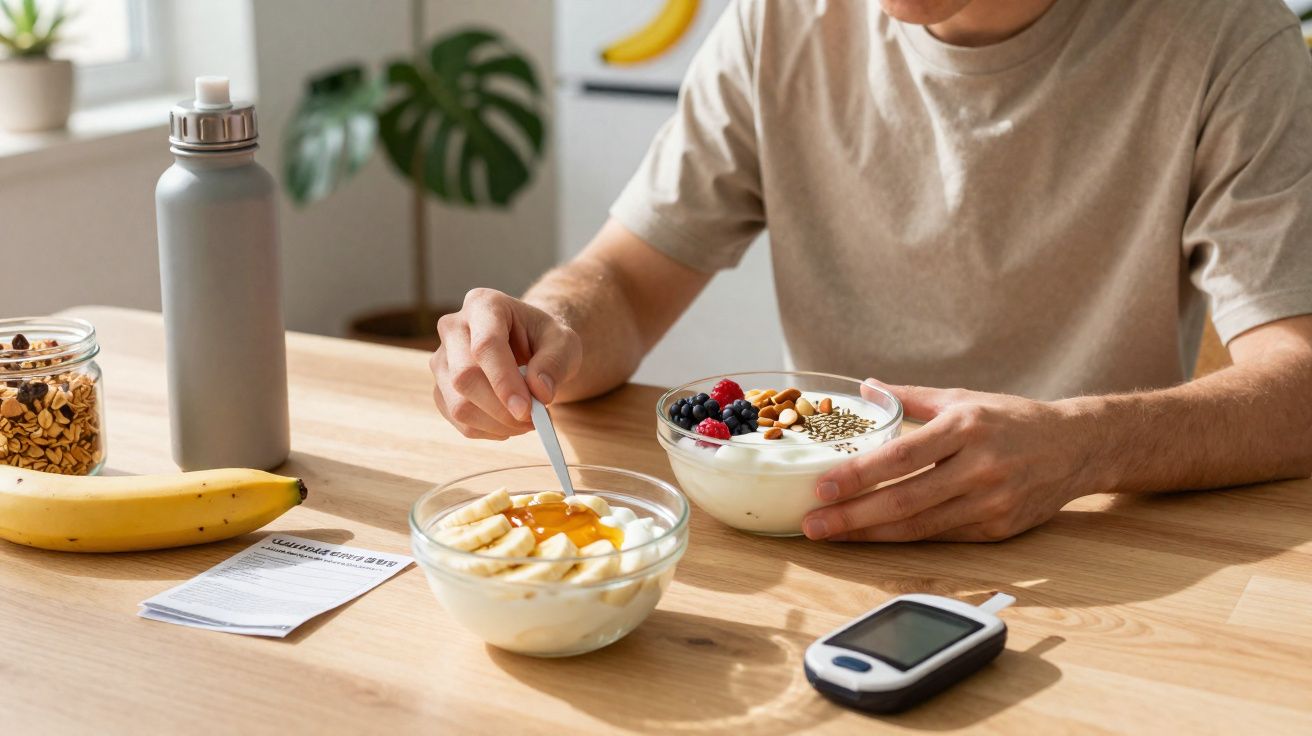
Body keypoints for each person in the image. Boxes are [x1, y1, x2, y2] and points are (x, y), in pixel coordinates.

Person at [429, 0, 1312, 543]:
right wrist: (548, 331)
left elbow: (1300, 382)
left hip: (1095, 543)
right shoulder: (777, 23)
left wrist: (1083, 447)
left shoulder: (1229, 37)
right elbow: (621, 285)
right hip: (815, 530)